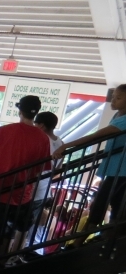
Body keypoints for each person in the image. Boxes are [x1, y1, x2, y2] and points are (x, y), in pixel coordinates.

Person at [0, 95, 52, 252]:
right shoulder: (43, 139)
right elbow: (40, 170)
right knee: (20, 230)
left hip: (0, 191)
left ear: (20, 111)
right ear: (36, 113)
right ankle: (6, 263)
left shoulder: (4, 131)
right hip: (24, 193)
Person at [55, 83, 126, 230]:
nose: (113, 101)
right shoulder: (117, 115)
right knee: (110, 204)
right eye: (113, 97)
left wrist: (66, 146)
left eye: (118, 98)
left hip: (122, 170)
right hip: (114, 168)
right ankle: (101, 238)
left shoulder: (124, 120)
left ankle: (81, 242)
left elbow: (95, 136)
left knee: (103, 204)